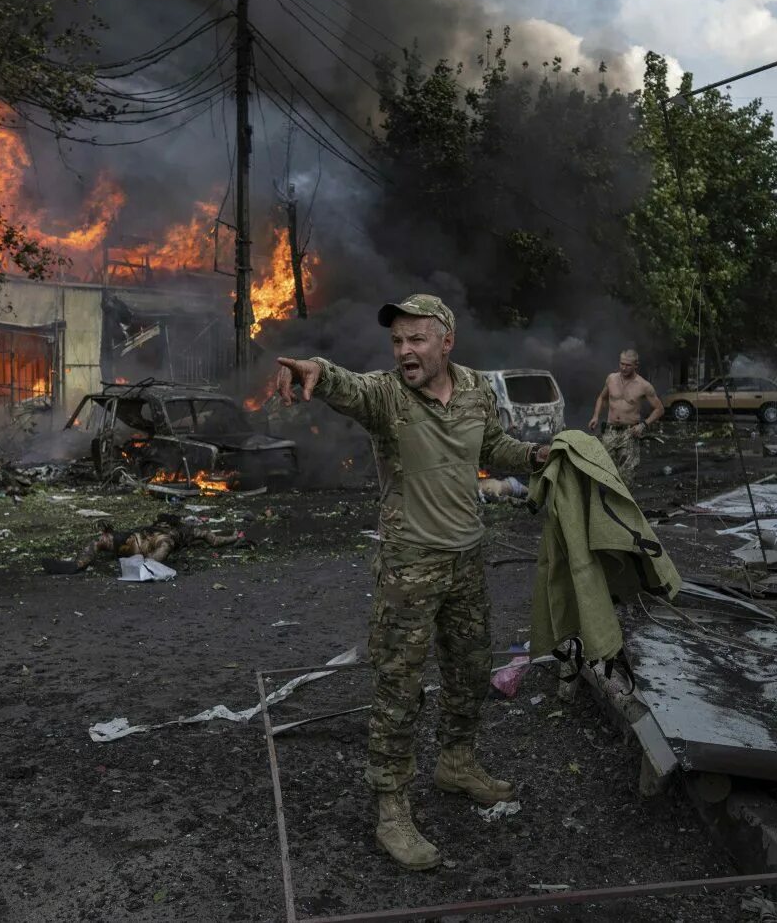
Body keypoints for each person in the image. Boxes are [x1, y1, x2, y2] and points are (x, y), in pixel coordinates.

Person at [274, 293, 550, 871]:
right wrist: (313, 372)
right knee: (399, 689)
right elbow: (342, 384)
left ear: (446, 341)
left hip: (467, 559)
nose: (404, 351)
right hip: (410, 565)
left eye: (416, 339)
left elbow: (492, 447)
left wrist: (537, 455)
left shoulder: (475, 387)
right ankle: (392, 807)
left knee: (471, 670)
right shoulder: (385, 396)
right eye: (397, 341)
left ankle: (456, 762)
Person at [43, 513, 244, 574]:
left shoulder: (181, 532)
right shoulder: (181, 531)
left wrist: (233, 537)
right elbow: (214, 539)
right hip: (135, 540)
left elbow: (214, 539)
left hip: (142, 543)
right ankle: (76, 564)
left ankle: (145, 567)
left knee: (164, 544)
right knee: (102, 540)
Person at [587, 348, 664, 480]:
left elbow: (660, 409)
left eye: (628, 365)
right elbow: (602, 397)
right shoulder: (611, 378)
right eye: (622, 363)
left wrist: (643, 425)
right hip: (610, 431)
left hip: (629, 433)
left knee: (626, 475)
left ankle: (623, 499)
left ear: (636, 365)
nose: (624, 367)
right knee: (603, 470)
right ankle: (605, 499)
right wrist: (595, 416)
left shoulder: (644, 385)